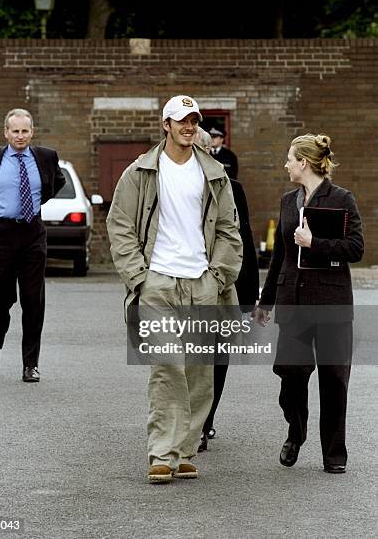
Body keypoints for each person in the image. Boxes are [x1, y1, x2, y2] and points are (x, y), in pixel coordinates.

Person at [106, 95, 242, 483]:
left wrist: (218, 277)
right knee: (166, 367)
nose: (188, 126)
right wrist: (139, 277)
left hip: (204, 284)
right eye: (181, 120)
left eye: (194, 121)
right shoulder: (141, 172)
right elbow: (120, 226)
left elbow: (230, 231)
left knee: (200, 373)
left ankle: (184, 450)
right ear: (165, 124)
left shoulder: (214, 172)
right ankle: (162, 453)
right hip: (159, 284)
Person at [254, 133, 364, 474]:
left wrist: (315, 242)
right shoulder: (288, 201)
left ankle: (334, 454)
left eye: (290, 158)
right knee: (290, 373)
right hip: (293, 301)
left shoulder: (342, 199)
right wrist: (266, 299)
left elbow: (355, 248)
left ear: (304, 162)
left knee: (334, 379)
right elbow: (280, 256)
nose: (286, 164)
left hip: (331, 302)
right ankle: (296, 430)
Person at [0, 108, 65, 382]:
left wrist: (36, 202)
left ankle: (30, 364)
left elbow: (58, 181)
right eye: (15, 131)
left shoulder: (45, 157)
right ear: (6, 133)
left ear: (32, 132)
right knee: (1, 299)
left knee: (34, 300)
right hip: (1, 233)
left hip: (33, 232)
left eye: (25, 131)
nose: (20, 136)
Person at [195, 127, 259, 451]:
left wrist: (249, 296)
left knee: (218, 354)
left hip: (221, 287)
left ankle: (205, 422)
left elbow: (244, 240)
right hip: (184, 287)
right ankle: (189, 420)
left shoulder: (233, 189)